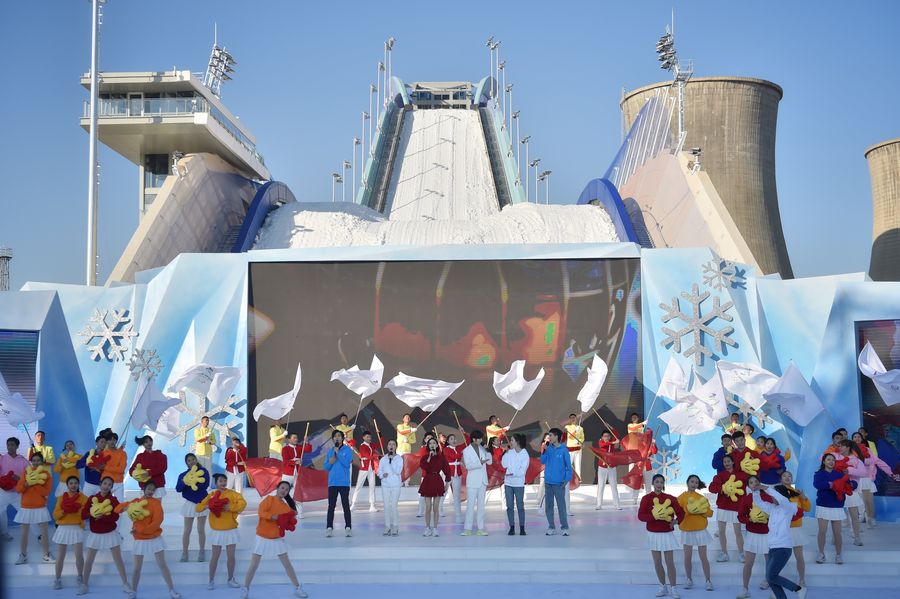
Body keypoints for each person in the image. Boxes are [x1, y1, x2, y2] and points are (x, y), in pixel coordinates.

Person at [115, 481, 181, 599]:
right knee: (137, 568)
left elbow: (157, 521)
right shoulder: (136, 501)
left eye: (153, 490)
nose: (150, 491)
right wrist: (126, 508)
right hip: (140, 539)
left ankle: (171, 590)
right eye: (149, 489)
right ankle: (133, 591)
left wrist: (141, 530)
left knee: (162, 565)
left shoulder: (156, 503)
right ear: (144, 489)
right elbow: (117, 509)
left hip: (154, 537)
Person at [241, 480, 307, 599]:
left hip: (276, 538)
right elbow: (261, 512)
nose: (284, 491)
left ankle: (297, 588)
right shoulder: (269, 499)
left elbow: (291, 517)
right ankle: (245, 589)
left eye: (286, 490)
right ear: (277, 488)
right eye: (282, 488)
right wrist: (272, 517)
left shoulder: (285, 506)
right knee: (254, 564)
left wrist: (290, 517)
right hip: (262, 536)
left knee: (287, 564)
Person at [753, 482, 809, 599]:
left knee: (771, 576)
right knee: (770, 578)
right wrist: (756, 491)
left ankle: (798, 589)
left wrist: (767, 488)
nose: (772, 498)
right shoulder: (773, 508)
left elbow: (782, 499)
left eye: (774, 495)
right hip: (772, 547)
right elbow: (758, 502)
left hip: (783, 547)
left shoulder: (788, 506)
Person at [79, 476, 131, 596]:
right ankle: (84, 584)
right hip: (95, 534)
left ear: (111, 487)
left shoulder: (113, 500)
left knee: (118, 559)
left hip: (110, 533)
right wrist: (92, 514)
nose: (106, 486)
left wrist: (103, 517)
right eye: (105, 483)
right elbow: (83, 515)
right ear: (100, 484)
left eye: (109, 485)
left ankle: (125, 583)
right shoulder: (92, 498)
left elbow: (116, 516)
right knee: (89, 560)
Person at [638, 474, 685, 599]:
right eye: (657, 482)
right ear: (653, 483)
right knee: (657, 562)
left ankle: (673, 588)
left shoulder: (670, 498)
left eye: (661, 482)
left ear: (663, 484)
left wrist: (676, 521)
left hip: (666, 534)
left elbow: (681, 513)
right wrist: (654, 517)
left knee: (670, 562)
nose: (659, 484)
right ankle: (662, 586)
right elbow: (641, 516)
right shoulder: (646, 498)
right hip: (653, 534)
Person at [197, 472, 247, 589]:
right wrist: (206, 506)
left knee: (231, 557)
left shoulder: (233, 494)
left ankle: (230, 579)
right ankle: (211, 580)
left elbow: (243, 503)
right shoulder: (211, 495)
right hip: (217, 531)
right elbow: (198, 508)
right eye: (220, 481)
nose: (223, 483)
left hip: (231, 530)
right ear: (216, 483)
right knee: (215, 557)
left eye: (225, 481)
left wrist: (231, 507)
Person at [814, 452, 856, 564]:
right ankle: (821, 553)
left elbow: (850, 484)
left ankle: (838, 555)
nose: (831, 462)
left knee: (837, 532)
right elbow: (817, 485)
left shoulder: (839, 474)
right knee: (822, 531)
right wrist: (831, 485)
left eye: (833, 460)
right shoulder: (819, 474)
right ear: (824, 461)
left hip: (837, 505)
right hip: (823, 505)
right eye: (828, 459)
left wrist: (852, 484)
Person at [850, 431, 898, 527]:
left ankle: (871, 519)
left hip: (867, 478)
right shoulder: (849, 451)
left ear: (862, 439)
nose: (857, 438)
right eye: (855, 437)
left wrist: (890, 472)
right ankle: (861, 517)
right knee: (859, 501)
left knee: (869, 501)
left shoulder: (867, 449)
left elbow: (877, 461)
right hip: (855, 479)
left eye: (859, 437)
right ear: (852, 439)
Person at [14, 452, 54, 565]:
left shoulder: (46, 475)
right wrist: (26, 484)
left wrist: (35, 483)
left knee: (44, 533)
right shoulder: (26, 472)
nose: (36, 462)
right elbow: (18, 489)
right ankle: (23, 555)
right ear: (31, 462)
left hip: (40, 507)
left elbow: (46, 492)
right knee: (24, 533)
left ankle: (46, 555)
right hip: (26, 507)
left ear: (42, 462)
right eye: (34, 460)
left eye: (38, 460)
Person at [736, 475, 771, 598]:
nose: (754, 484)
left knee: (770, 562)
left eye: (756, 481)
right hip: (752, 534)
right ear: (748, 486)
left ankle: (769, 583)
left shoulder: (767, 497)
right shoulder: (746, 499)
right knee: (748, 563)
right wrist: (750, 519)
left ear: (760, 483)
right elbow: (740, 516)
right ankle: (745, 589)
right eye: (751, 482)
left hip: (767, 534)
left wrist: (769, 518)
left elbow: (775, 511)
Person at [677, 475, 713, 591]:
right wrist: (688, 510)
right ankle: (689, 579)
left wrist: (701, 511)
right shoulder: (681, 498)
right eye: (692, 481)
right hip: (687, 530)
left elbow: (710, 513)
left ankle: (708, 581)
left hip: (700, 530)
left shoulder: (701, 498)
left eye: (696, 482)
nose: (694, 484)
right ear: (687, 482)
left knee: (703, 557)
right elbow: (678, 513)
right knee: (687, 557)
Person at [709, 453, 747, 562]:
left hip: (737, 507)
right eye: (724, 462)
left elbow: (750, 484)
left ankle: (741, 553)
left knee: (738, 532)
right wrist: (722, 489)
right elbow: (711, 488)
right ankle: (724, 553)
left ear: (733, 462)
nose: (726, 463)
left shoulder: (741, 475)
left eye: (728, 461)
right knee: (721, 532)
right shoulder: (720, 476)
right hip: (723, 507)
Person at [52, 475, 87, 590]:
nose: (73, 485)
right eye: (71, 483)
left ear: (78, 484)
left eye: (75, 483)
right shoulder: (61, 498)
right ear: (67, 485)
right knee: (60, 556)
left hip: (76, 528)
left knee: (79, 555)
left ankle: (80, 577)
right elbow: (55, 515)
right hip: (63, 529)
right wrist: (64, 511)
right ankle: (57, 579)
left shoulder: (83, 498)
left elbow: (85, 513)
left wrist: (75, 509)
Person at [175, 452, 210, 562]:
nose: (191, 462)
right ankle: (185, 552)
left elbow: (205, 485)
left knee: (201, 530)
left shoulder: (203, 471)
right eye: (189, 460)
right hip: (189, 504)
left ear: (196, 460)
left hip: (201, 503)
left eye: (193, 459)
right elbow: (178, 489)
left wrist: (194, 480)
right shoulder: (183, 475)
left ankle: (202, 551)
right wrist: (186, 481)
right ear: (186, 463)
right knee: (187, 530)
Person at [780, 470, 811, 588]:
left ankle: (802, 580)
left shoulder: (797, 493)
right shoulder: (777, 492)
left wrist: (803, 497)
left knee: (799, 557)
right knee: (778, 558)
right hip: (782, 529)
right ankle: (772, 579)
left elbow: (807, 508)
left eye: (789, 476)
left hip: (795, 529)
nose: (787, 477)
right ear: (780, 479)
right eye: (784, 476)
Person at [541, 427, 572, 536]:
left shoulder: (564, 450)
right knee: (549, 506)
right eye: (548, 435)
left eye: (551, 435)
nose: (549, 437)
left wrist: (567, 479)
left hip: (559, 483)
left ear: (557, 437)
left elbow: (568, 466)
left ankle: (565, 527)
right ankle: (551, 527)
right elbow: (543, 461)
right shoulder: (548, 448)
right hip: (548, 482)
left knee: (561, 506)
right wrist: (544, 450)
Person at [418, 436, 451, 537]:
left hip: (437, 480)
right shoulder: (425, 457)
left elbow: (447, 470)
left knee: (436, 507)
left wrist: (447, 482)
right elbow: (424, 466)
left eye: (434, 443)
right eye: (430, 443)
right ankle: (427, 528)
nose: (432, 445)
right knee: (428, 507)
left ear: (437, 445)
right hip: (428, 480)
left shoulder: (441, 457)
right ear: (428, 446)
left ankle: (435, 528)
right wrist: (429, 457)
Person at [461, 429, 491, 536]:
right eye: (479, 439)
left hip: (483, 481)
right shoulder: (466, 451)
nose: (481, 440)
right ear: (474, 439)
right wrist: (480, 463)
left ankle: (481, 528)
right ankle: (467, 529)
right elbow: (468, 466)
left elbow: (490, 462)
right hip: (473, 481)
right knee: (470, 505)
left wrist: (488, 451)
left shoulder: (483, 449)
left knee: (481, 506)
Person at [324, 429, 353, 537]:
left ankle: (348, 527)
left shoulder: (347, 450)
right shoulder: (330, 451)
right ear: (332, 439)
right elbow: (326, 467)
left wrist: (338, 453)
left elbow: (346, 464)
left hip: (344, 482)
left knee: (345, 505)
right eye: (335, 436)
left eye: (339, 436)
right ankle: (329, 527)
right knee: (331, 506)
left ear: (342, 438)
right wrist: (331, 461)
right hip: (332, 483)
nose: (337, 438)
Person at [0, 436, 29, 541]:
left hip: (17, 492)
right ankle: (3, 533)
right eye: (8, 445)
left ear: (17, 446)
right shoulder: (2, 458)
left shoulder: (23, 461)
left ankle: (39, 535)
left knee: (26, 512)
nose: (10, 447)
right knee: (1, 512)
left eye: (12, 445)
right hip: (3, 492)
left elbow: (29, 476)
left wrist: (19, 478)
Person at [502, 433, 529, 535]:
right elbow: (504, 464)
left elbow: (522, 471)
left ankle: (522, 528)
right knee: (509, 506)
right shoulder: (510, 452)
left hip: (518, 484)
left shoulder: (524, 454)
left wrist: (512, 474)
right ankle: (512, 527)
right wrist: (505, 453)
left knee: (520, 506)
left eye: (512, 440)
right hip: (508, 483)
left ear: (517, 442)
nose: (510, 442)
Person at [379, 439, 403, 536]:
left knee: (393, 506)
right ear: (387, 446)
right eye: (389, 444)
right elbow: (379, 471)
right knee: (386, 506)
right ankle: (387, 526)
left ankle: (395, 526)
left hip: (395, 485)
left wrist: (391, 461)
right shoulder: (383, 459)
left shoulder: (399, 459)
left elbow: (398, 471)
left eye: (393, 444)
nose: (391, 446)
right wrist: (382, 475)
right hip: (385, 485)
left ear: (396, 447)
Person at [350, 430, 379, 512]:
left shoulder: (371, 445)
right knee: (359, 486)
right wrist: (377, 456)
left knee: (372, 486)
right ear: (363, 437)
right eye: (367, 437)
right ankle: (353, 504)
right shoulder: (362, 446)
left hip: (371, 468)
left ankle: (372, 505)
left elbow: (381, 443)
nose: (369, 438)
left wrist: (379, 434)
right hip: (364, 468)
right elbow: (368, 456)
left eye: (370, 437)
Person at [442, 432, 468, 522]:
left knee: (457, 495)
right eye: (451, 439)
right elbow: (454, 456)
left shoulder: (458, 448)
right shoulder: (446, 449)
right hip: (448, 472)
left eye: (455, 438)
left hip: (457, 473)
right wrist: (462, 452)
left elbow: (467, 442)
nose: (454, 440)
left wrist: (463, 432)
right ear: (448, 441)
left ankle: (458, 516)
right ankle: (439, 509)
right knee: (443, 492)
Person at [594, 429, 621, 510]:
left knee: (614, 486)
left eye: (608, 436)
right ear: (602, 437)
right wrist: (613, 442)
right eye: (605, 436)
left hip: (611, 467)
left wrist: (610, 428)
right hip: (602, 468)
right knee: (601, 486)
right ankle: (599, 504)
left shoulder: (612, 441)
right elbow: (603, 445)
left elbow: (616, 434)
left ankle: (617, 505)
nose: (606, 437)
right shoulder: (601, 442)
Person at [280, 432, 306, 517]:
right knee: (283, 492)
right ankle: (282, 510)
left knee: (298, 492)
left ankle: (299, 512)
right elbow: (285, 461)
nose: (296, 439)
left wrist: (306, 441)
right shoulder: (285, 449)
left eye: (296, 438)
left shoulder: (299, 447)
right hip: (287, 473)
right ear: (289, 439)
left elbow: (308, 449)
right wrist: (295, 462)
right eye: (294, 438)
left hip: (297, 473)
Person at [103, 431, 128, 502]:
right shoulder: (103, 453)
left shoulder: (123, 453)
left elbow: (121, 469)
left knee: (119, 505)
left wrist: (105, 467)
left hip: (118, 482)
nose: (112, 441)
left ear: (116, 440)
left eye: (114, 439)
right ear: (107, 441)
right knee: (104, 505)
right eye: (110, 439)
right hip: (106, 481)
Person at [564, 413, 585, 482]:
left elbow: (582, 437)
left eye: (574, 417)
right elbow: (570, 437)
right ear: (570, 419)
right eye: (571, 418)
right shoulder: (567, 427)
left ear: (576, 419)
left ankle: (578, 479)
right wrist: (575, 431)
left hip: (578, 449)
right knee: (568, 464)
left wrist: (580, 441)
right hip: (570, 449)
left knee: (578, 464)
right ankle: (567, 478)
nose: (573, 419)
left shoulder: (580, 428)